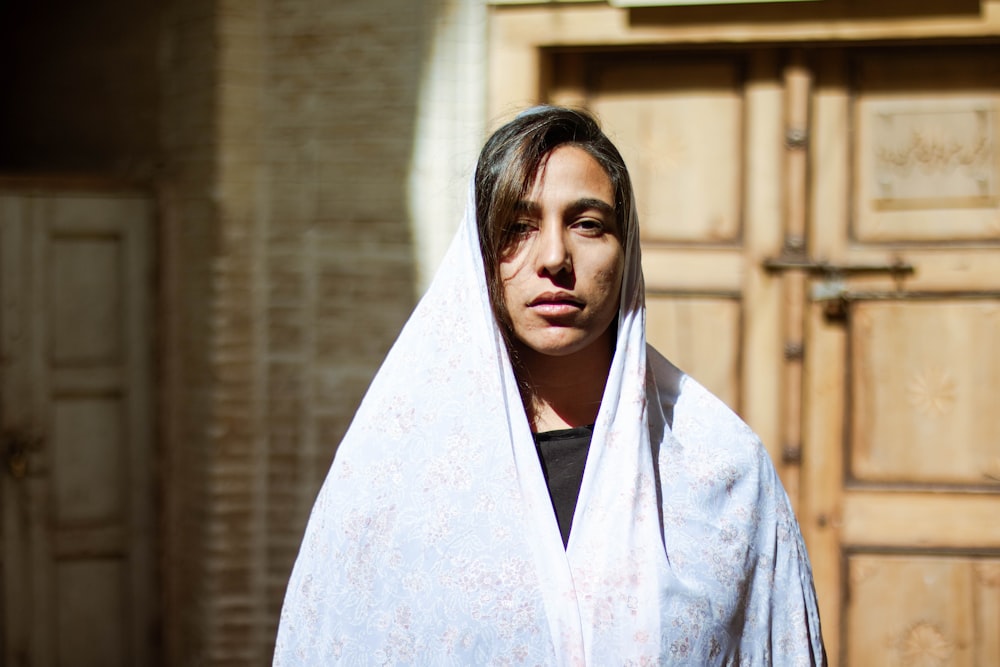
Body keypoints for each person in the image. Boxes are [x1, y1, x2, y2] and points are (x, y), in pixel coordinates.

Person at [274, 106, 826, 665]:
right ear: (480, 255)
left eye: (587, 224)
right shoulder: (391, 469)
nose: (555, 258)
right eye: (518, 227)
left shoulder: (721, 470)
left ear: (626, 248)